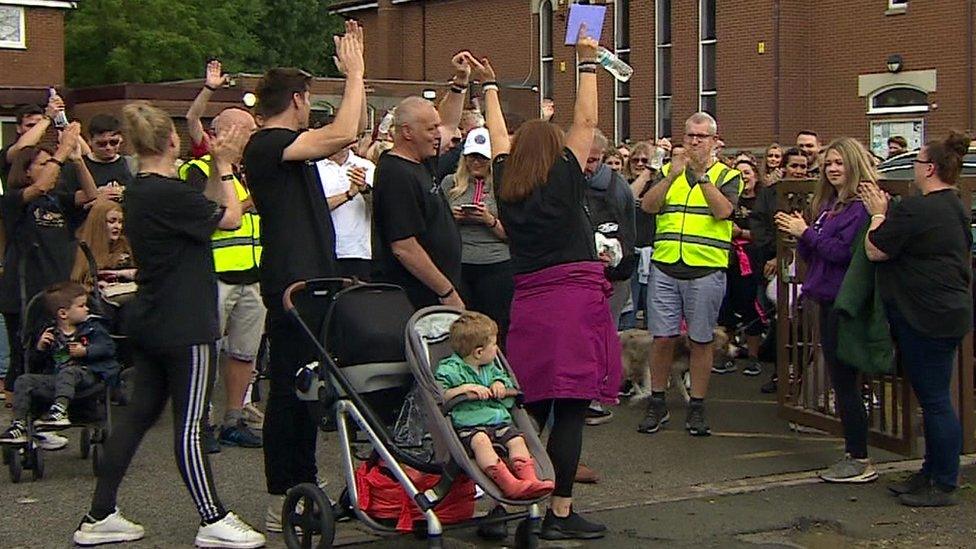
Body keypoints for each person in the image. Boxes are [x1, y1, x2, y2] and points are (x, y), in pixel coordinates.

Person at [72, 101, 264, 548]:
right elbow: (230, 218)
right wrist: (227, 165)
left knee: (138, 417)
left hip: (152, 316)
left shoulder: (140, 190)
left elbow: (208, 207)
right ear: (172, 141)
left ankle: (100, 513)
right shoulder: (170, 193)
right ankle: (212, 517)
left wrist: (217, 169)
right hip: (186, 322)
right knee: (192, 424)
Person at [478, 30, 618, 539]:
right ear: (556, 151)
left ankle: (502, 503)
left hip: (529, 299)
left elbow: (497, 137)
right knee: (572, 408)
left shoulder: (505, 180)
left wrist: (489, 87)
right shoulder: (564, 175)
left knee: (529, 406)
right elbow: (587, 120)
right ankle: (560, 512)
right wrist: (586, 62)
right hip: (572, 298)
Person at [242, 21, 365, 532]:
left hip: (316, 280)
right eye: (308, 98)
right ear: (297, 99)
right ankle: (285, 496)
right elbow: (344, 131)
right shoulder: (268, 143)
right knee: (292, 394)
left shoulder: (288, 147)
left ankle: (317, 485)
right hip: (291, 287)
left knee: (315, 389)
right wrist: (356, 73)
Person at [862, 132, 973, 507]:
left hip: (926, 316)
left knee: (936, 400)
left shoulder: (918, 209)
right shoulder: (955, 206)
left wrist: (878, 214)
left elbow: (876, 250)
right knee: (934, 396)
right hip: (947, 311)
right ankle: (931, 471)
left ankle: (943, 482)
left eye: (916, 163)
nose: (912, 170)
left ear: (929, 168)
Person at [774, 137, 874, 484]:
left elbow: (844, 254)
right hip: (825, 296)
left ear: (854, 165)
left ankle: (858, 458)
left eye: (839, 163)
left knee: (845, 381)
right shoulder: (832, 206)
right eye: (829, 163)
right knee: (839, 376)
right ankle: (853, 454)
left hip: (844, 301)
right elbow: (818, 253)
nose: (833, 169)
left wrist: (807, 233)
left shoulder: (860, 209)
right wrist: (801, 234)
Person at [638, 112, 743, 437]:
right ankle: (657, 402)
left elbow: (724, 211)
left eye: (701, 137)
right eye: (690, 136)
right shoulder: (670, 171)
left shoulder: (728, 175)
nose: (695, 142)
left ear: (713, 141)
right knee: (662, 337)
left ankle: (697, 405)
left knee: (701, 340)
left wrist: (701, 177)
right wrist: (672, 177)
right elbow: (648, 206)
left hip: (705, 268)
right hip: (667, 265)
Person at [180, 107, 265, 451]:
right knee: (207, 352)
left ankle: (234, 417)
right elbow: (213, 212)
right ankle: (201, 422)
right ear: (223, 133)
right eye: (245, 131)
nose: (250, 137)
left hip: (253, 272)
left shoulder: (250, 171)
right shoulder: (196, 170)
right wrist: (226, 172)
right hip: (214, 274)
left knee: (245, 352)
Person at [0, 124, 97, 418]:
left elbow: (91, 195)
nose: (51, 168)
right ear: (27, 171)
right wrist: (62, 149)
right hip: (24, 290)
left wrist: (77, 159)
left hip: (58, 289)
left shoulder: (59, 199)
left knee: (56, 353)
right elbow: (40, 186)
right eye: (42, 164)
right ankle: (20, 422)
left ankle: (49, 414)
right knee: (25, 355)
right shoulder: (14, 200)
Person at [373, 52, 473, 310]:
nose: (436, 135)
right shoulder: (395, 173)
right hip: (417, 297)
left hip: (437, 291)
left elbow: (449, 124)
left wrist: (460, 83)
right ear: (407, 132)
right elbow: (404, 246)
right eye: (430, 129)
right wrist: (446, 291)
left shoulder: (421, 161)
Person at [434, 311, 554, 499]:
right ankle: (510, 484)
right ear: (479, 352)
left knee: (517, 440)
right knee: (481, 442)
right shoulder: (449, 369)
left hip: (499, 421)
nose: (497, 349)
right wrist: (464, 389)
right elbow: (441, 395)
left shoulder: (491, 369)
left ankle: (530, 480)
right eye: (494, 344)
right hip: (470, 425)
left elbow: (505, 383)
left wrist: (500, 386)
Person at [0, 282, 119, 442]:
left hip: (86, 375)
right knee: (24, 380)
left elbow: (109, 348)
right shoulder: (49, 333)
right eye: (81, 306)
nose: (87, 309)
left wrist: (87, 351)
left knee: (69, 372)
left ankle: (59, 411)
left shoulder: (93, 328)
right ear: (63, 313)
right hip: (56, 379)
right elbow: (34, 363)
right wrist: (40, 348)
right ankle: (19, 424)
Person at [582, 129, 635, 425]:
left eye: (594, 159)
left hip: (612, 275)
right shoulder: (569, 181)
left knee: (604, 335)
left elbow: (628, 234)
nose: (588, 166)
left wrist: (616, 257)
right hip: (581, 273)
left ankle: (597, 399)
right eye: (584, 159)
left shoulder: (617, 188)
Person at [443, 127, 513, 346]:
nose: (476, 162)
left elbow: (514, 235)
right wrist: (450, 218)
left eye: (482, 158)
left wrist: (488, 219)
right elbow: (435, 229)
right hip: (461, 263)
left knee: (495, 327)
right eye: (472, 157)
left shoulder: (504, 187)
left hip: (496, 264)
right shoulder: (450, 183)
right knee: (463, 327)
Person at [714, 159, 765, 377]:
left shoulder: (763, 201)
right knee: (725, 308)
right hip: (726, 257)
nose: (744, 177)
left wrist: (741, 233)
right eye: (739, 173)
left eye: (747, 172)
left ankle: (754, 357)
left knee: (749, 306)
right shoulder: (728, 197)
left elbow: (767, 233)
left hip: (751, 259)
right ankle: (727, 355)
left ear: (755, 175)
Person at [316, 141, 376, 280]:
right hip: (323, 253)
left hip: (359, 253)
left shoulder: (367, 167)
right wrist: (348, 194)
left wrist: (365, 190)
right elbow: (313, 207)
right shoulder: (314, 168)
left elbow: (381, 208)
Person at [60, 114, 137, 211]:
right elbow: (66, 200)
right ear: (90, 141)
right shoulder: (74, 166)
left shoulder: (131, 164)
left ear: (121, 139)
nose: (108, 147)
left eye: (114, 142)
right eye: (102, 144)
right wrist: (98, 195)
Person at [70, 199, 136, 288]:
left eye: (120, 222)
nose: (117, 226)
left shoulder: (126, 245)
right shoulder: (80, 249)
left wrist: (119, 274)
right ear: (98, 223)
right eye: (112, 221)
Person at [0, 97, 63, 185]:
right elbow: (22, 147)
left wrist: (62, 118)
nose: (36, 129)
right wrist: (47, 118)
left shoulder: (51, 150)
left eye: (39, 125)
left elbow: (85, 153)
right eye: (30, 125)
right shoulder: (7, 152)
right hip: (19, 197)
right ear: (18, 128)